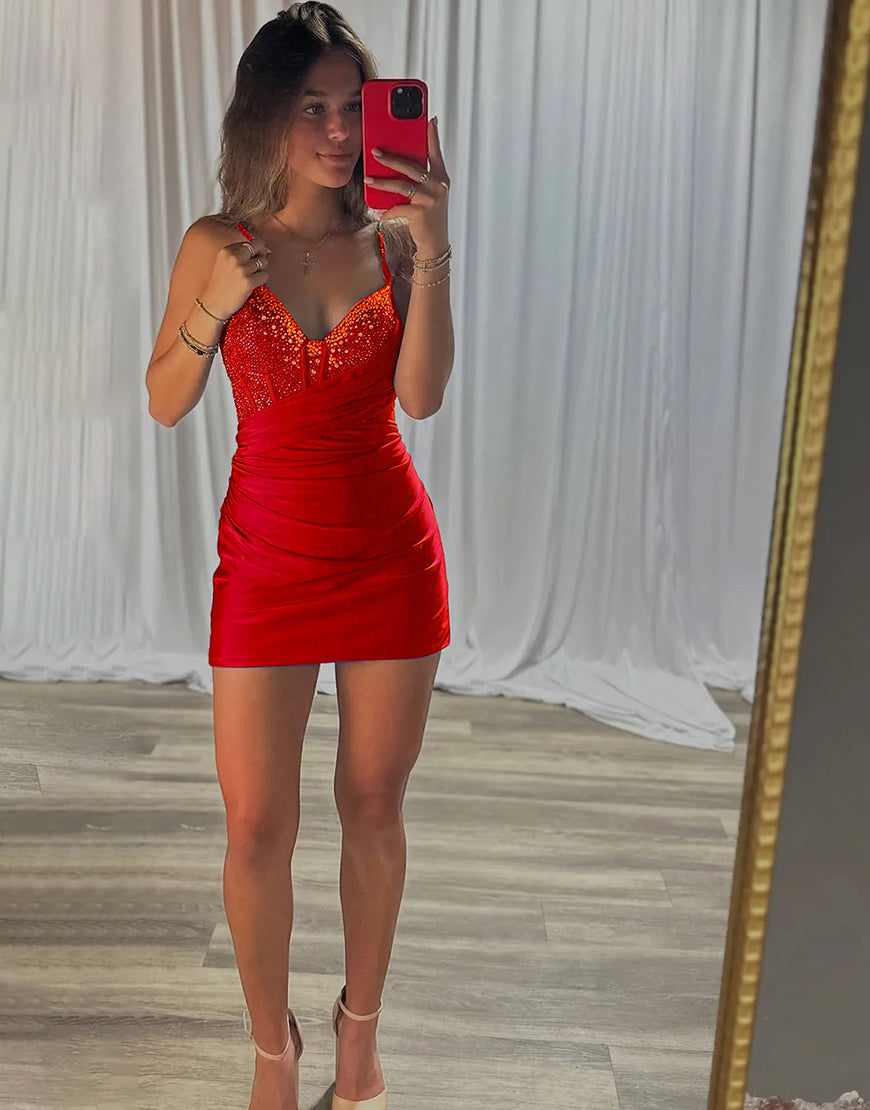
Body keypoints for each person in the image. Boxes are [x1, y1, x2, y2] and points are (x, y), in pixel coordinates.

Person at [144, 4, 454, 1108]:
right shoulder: (217, 243)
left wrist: (434, 249)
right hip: (266, 563)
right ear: (268, 116)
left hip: (388, 557)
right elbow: (164, 401)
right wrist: (213, 309)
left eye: (351, 108)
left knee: (373, 806)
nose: (335, 131)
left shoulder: (394, 244)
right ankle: (272, 1054)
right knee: (255, 826)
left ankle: (357, 1035)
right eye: (311, 107)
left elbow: (421, 397)